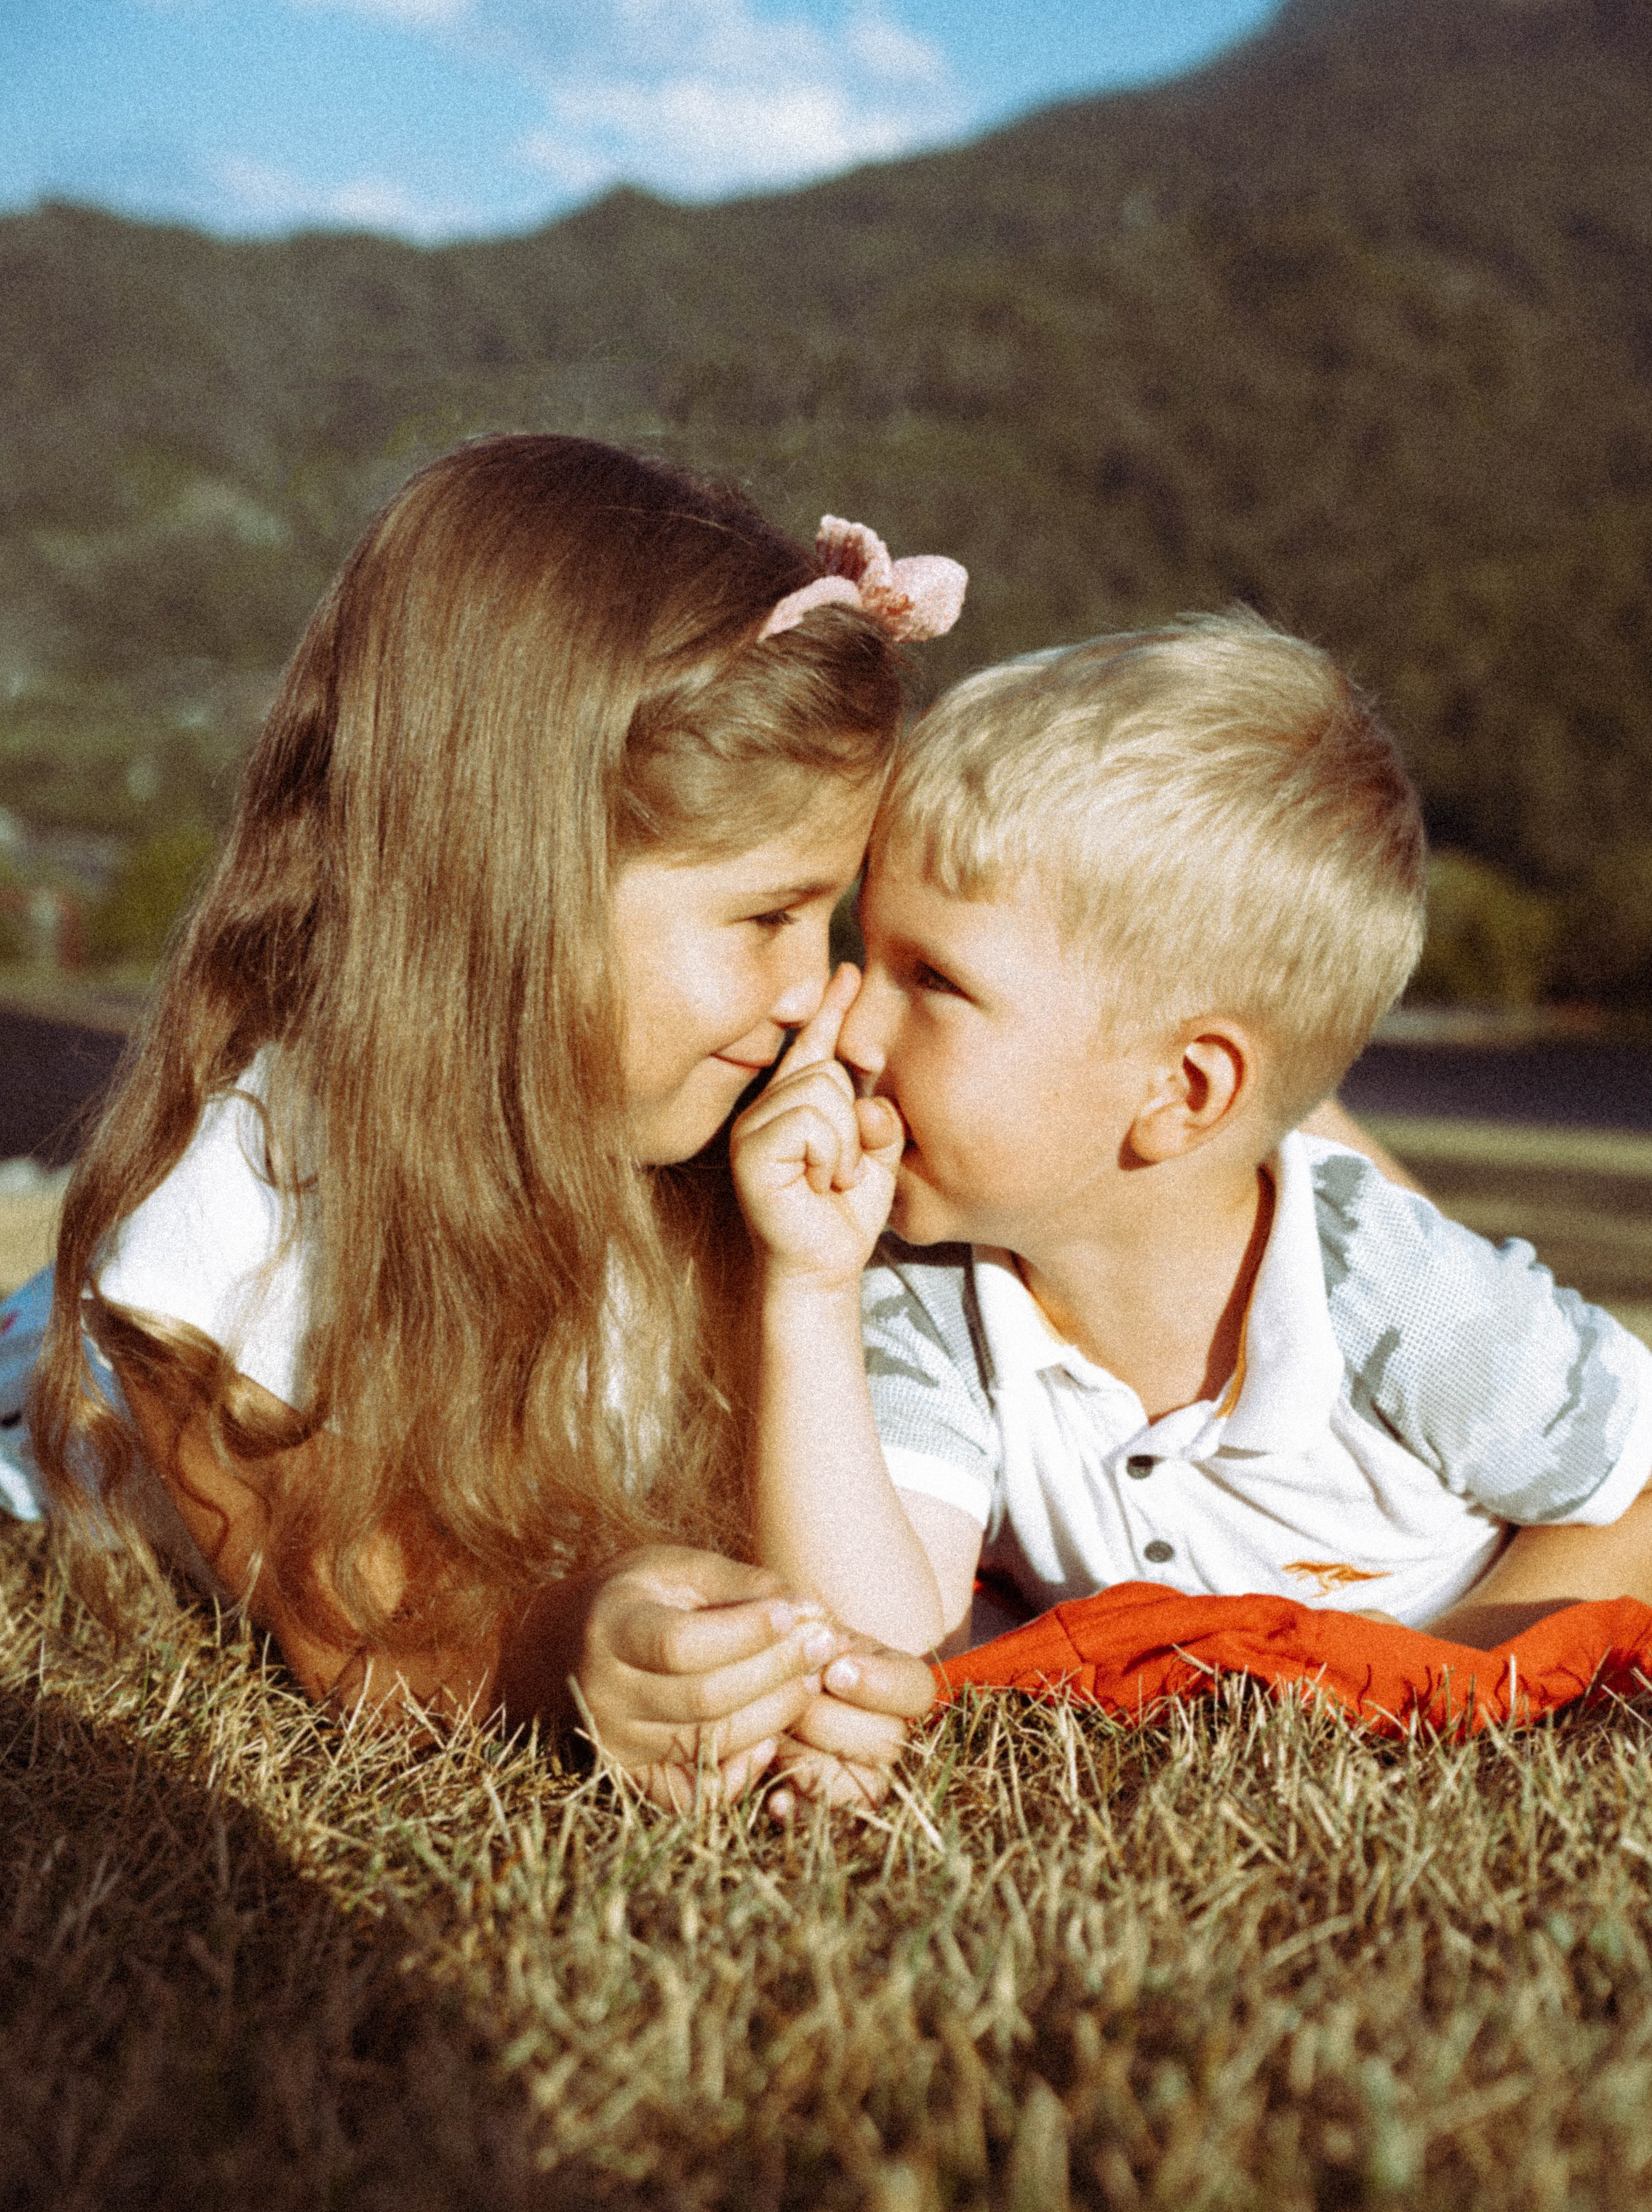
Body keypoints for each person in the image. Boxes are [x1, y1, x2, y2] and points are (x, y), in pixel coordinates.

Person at [5, 436, 953, 1807]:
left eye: (830, 915)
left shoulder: (716, 1148)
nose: (817, 991)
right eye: (764, 916)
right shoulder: (233, 1235)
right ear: (508, 897)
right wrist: (566, 1651)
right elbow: (357, 1623)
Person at [731, 613, 1652, 1658]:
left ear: (1185, 1090)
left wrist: (1437, 1677)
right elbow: (865, 1655)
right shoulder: (929, 1295)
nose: (846, 1024)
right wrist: (803, 1292)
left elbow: (1638, 1497)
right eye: (870, 953)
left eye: (933, 980)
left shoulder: (1397, 1296)